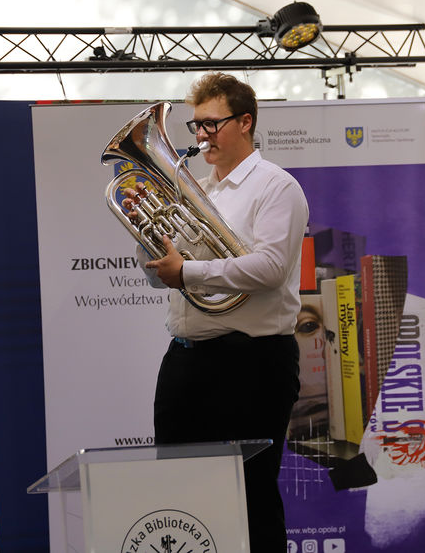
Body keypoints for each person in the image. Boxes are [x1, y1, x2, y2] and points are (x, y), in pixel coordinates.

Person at [122, 72, 308, 552]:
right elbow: (161, 275)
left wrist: (188, 272)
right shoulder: (196, 190)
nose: (201, 135)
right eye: (196, 126)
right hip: (186, 359)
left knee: (251, 496)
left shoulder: (276, 187)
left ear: (245, 122)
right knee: (181, 497)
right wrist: (145, 231)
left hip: (253, 361)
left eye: (212, 124)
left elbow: (270, 268)